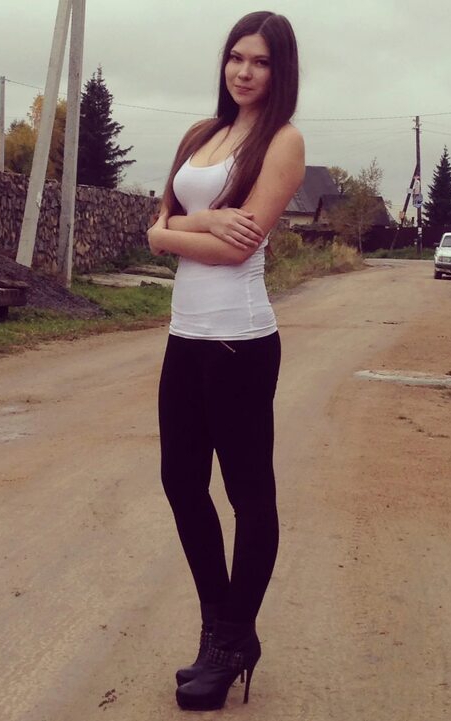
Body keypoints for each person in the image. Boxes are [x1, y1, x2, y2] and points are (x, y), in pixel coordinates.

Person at [147, 9, 304, 712]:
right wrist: (203, 219)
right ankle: (224, 629)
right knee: (181, 481)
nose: (244, 70)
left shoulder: (284, 141)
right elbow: (161, 225)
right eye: (236, 57)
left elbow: (237, 251)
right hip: (184, 335)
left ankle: (231, 637)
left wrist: (176, 233)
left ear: (279, 70)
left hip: (240, 339)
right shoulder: (199, 136)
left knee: (248, 494)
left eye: (260, 61)